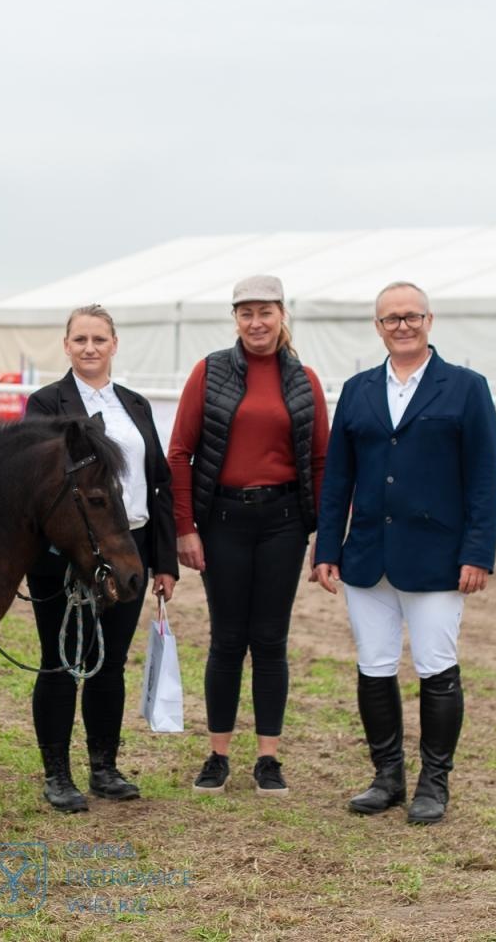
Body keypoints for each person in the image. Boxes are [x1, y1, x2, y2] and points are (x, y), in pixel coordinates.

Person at [311, 281, 496, 825]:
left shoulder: (465, 388)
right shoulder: (358, 390)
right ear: (378, 327)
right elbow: (338, 477)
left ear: (429, 321)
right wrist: (327, 546)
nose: (402, 326)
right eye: (391, 318)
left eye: (411, 316)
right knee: (373, 667)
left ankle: (433, 783)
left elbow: (485, 477)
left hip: (437, 557)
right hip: (367, 555)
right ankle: (386, 777)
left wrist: (478, 553)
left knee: (436, 667)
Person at [167, 275, 328, 796]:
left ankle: (268, 758)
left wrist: (324, 536)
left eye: (265, 312)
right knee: (227, 639)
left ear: (282, 314)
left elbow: (321, 460)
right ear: (235, 319)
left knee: (271, 640)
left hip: (283, 522)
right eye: (246, 313)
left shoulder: (304, 380)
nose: (256, 323)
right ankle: (217, 754)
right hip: (224, 521)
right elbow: (180, 453)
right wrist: (186, 527)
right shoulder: (209, 372)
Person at [24, 305, 179, 812]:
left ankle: (104, 767)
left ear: (114, 344)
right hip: (65, 554)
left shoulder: (135, 404)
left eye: (99, 339)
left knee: (110, 663)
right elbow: (37, 484)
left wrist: (164, 561)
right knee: (60, 662)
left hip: (129, 546)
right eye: (80, 339)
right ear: (66, 345)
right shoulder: (46, 403)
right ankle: (57, 774)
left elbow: (158, 483)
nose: (89, 348)